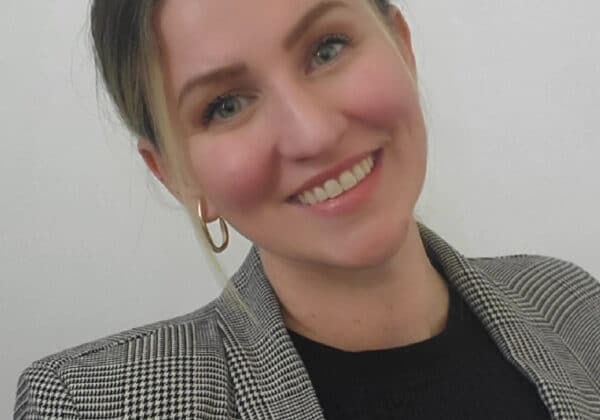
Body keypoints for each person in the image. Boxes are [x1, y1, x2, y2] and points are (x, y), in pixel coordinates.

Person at [14, 0, 600, 419]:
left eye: (327, 48)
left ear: (403, 47)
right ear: (177, 176)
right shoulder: (89, 404)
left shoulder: (573, 302)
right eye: (224, 106)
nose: (313, 134)